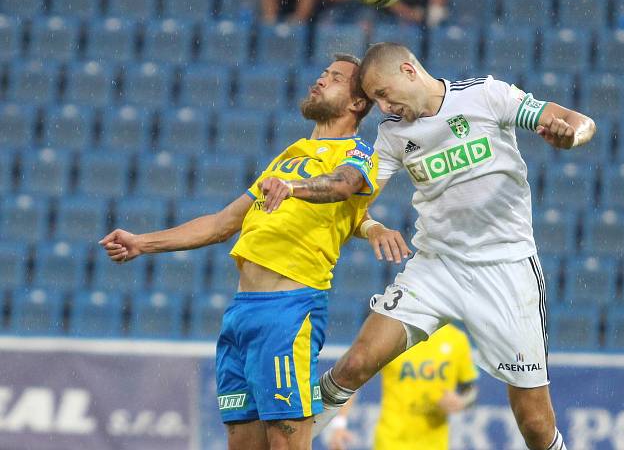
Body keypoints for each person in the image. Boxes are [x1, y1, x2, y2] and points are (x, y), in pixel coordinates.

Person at [101, 55, 401, 450]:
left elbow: (343, 187)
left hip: (288, 312)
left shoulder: (357, 153)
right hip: (242, 315)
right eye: (322, 74)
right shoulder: (289, 157)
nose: (319, 80)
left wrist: (294, 190)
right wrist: (143, 242)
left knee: (287, 442)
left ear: (357, 103)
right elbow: (222, 223)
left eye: (334, 78)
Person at [313, 43, 596, 450]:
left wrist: (572, 137)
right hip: (436, 267)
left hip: (507, 269)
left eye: (383, 93)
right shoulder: (392, 133)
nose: (382, 105)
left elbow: (578, 121)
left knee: (534, 423)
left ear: (409, 70)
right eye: (374, 99)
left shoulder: (486, 95)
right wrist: (372, 226)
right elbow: (356, 200)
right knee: (354, 364)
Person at [327, 324, 478, 450]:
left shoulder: (457, 340)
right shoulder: (394, 337)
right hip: (392, 441)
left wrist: (461, 402)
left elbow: (470, 391)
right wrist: (339, 423)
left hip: (435, 444)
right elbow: (353, 378)